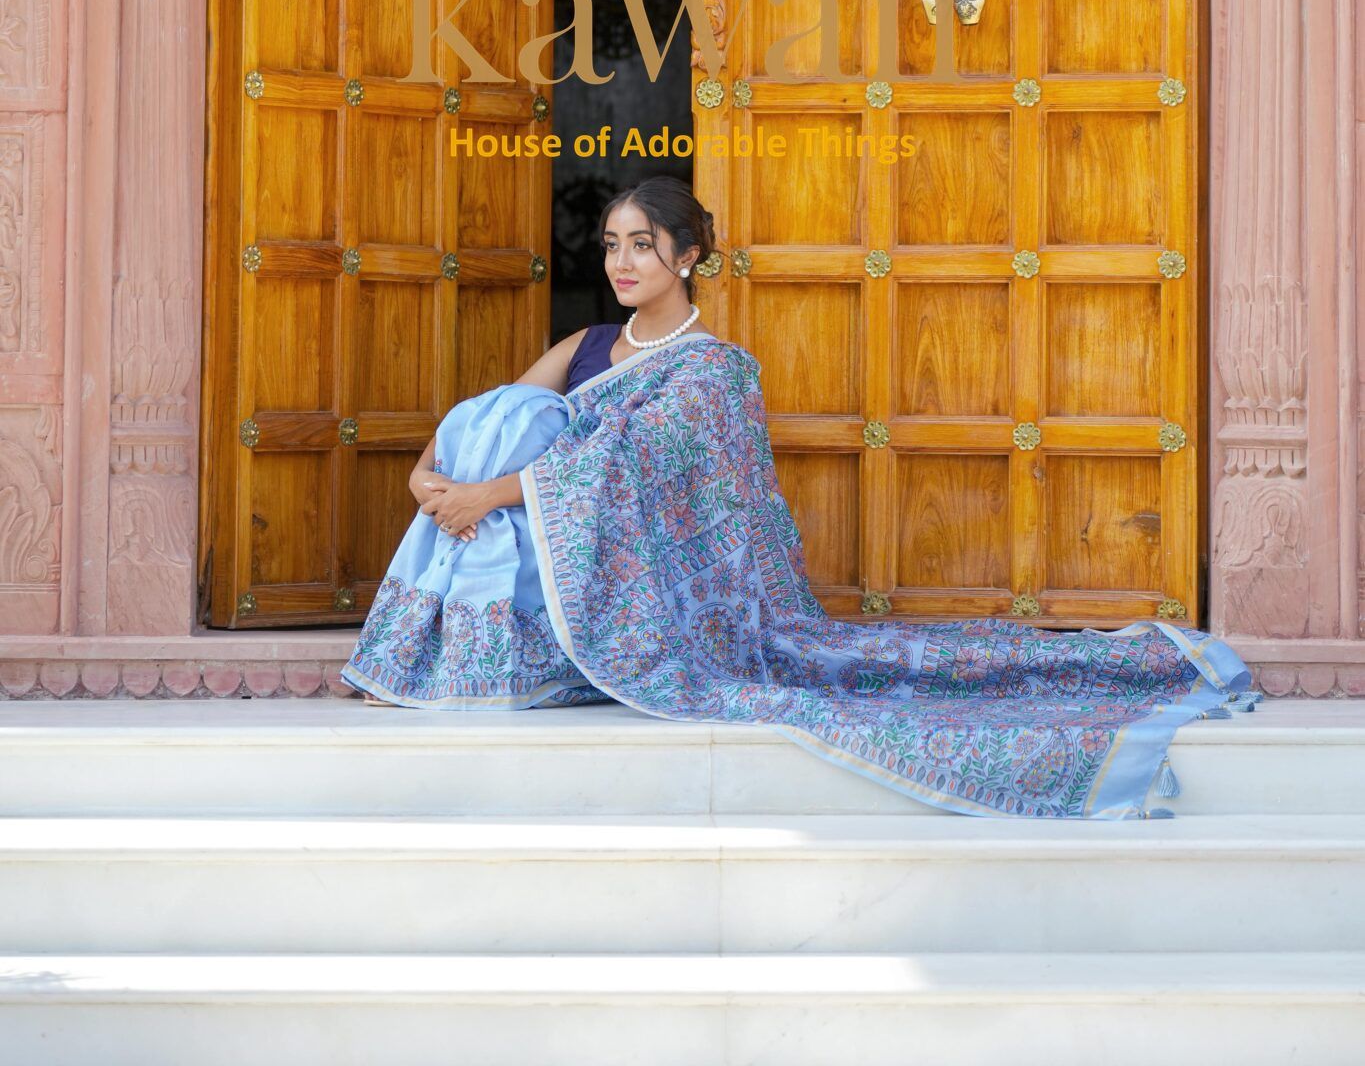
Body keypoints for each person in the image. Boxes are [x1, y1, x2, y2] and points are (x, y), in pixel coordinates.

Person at [341, 176, 1258, 818]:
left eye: (644, 247)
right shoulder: (584, 345)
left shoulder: (712, 372)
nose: (623, 263)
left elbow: (625, 478)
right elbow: (485, 419)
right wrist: (432, 478)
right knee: (507, 417)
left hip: (632, 588)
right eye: (613, 246)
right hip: (535, 545)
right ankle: (448, 653)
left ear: (687, 256)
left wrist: (486, 495)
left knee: (552, 461)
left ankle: (472, 657)